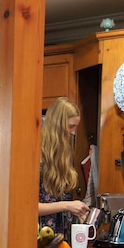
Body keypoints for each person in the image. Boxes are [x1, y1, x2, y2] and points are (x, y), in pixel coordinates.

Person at [38, 97, 89, 235]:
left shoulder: (63, 155)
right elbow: (28, 207)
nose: (73, 132)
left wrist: (76, 210)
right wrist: (67, 206)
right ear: (58, 125)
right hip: (41, 239)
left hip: (61, 238)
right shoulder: (36, 155)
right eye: (71, 126)